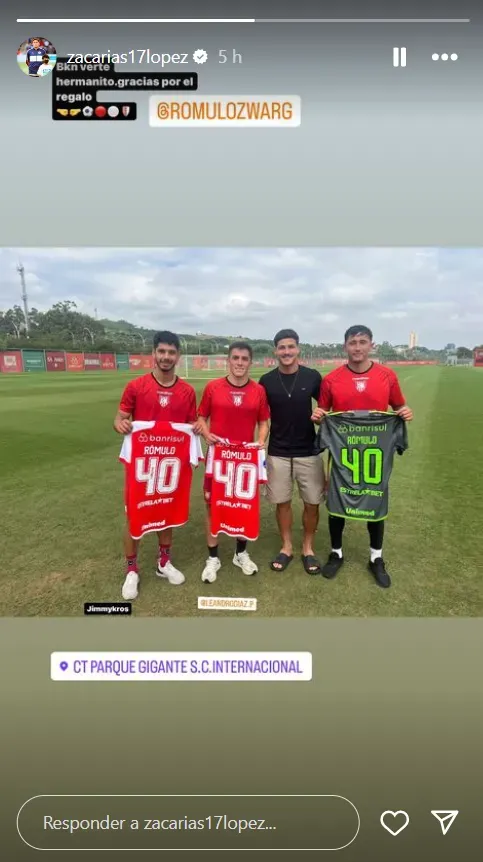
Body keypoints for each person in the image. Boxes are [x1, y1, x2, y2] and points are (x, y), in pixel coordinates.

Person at [312, 324, 413, 588]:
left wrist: (405, 412)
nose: (357, 347)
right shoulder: (331, 379)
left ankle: (376, 558)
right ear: (345, 346)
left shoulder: (386, 376)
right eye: (352, 342)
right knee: (337, 503)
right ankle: (336, 553)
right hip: (342, 453)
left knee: (375, 501)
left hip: (374, 456)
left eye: (362, 342)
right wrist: (318, 416)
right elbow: (323, 413)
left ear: (371, 345)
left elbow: (399, 406)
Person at [113, 331, 197, 600]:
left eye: (171, 353)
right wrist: (122, 424)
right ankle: (132, 570)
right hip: (142, 467)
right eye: (161, 352)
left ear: (178, 357)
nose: (166, 357)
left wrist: (196, 427)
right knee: (134, 516)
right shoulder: (136, 386)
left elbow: (191, 424)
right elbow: (120, 419)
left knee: (166, 512)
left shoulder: (186, 391)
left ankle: (163, 563)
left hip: (169, 468)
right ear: (153, 354)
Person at [195, 342, 270, 583]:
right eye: (235, 358)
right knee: (212, 505)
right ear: (228, 360)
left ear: (250, 362)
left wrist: (259, 441)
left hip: (244, 459)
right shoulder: (213, 387)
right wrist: (207, 435)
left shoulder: (258, 390)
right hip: (217, 458)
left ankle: (240, 554)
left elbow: (263, 422)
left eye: (244, 358)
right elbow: (201, 418)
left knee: (242, 505)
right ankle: (213, 558)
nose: (239, 362)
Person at [258, 329, 325, 575]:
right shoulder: (266, 380)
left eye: (290, 347)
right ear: (275, 351)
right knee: (282, 502)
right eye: (282, 347)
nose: (286, 352)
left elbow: (327, 407)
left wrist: (321, 417)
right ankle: (286, 547)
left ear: (298, 349)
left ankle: (308, 548)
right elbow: (260, 415)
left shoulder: (312, 376)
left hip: (309, 450)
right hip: (278, 451)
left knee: (312, 502)